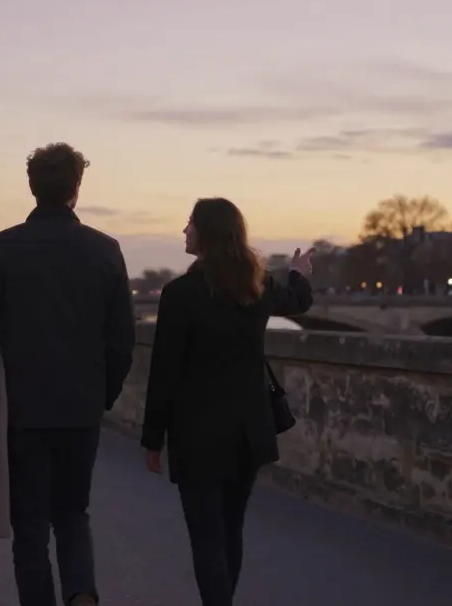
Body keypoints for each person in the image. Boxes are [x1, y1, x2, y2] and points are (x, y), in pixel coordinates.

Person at [0, 143, 134, 606]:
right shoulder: (105, 250)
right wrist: (103, 394)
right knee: (73, 511)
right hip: (80, 407)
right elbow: (122, 340)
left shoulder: (1, 249)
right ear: (76, 189)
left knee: (31, 524)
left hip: (21, 408)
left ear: (32, 187)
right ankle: (80, 591)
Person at [140, 198, 313, 606]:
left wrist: (152, 437)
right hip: (247, 434)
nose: (184, 231)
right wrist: (298, 273)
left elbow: (165, 372)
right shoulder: (259, 287)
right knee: (230, 532)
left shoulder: (180, 294)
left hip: (197, 435)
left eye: (189, 224)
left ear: (206, 234)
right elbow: (298, 302)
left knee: (206, 539)